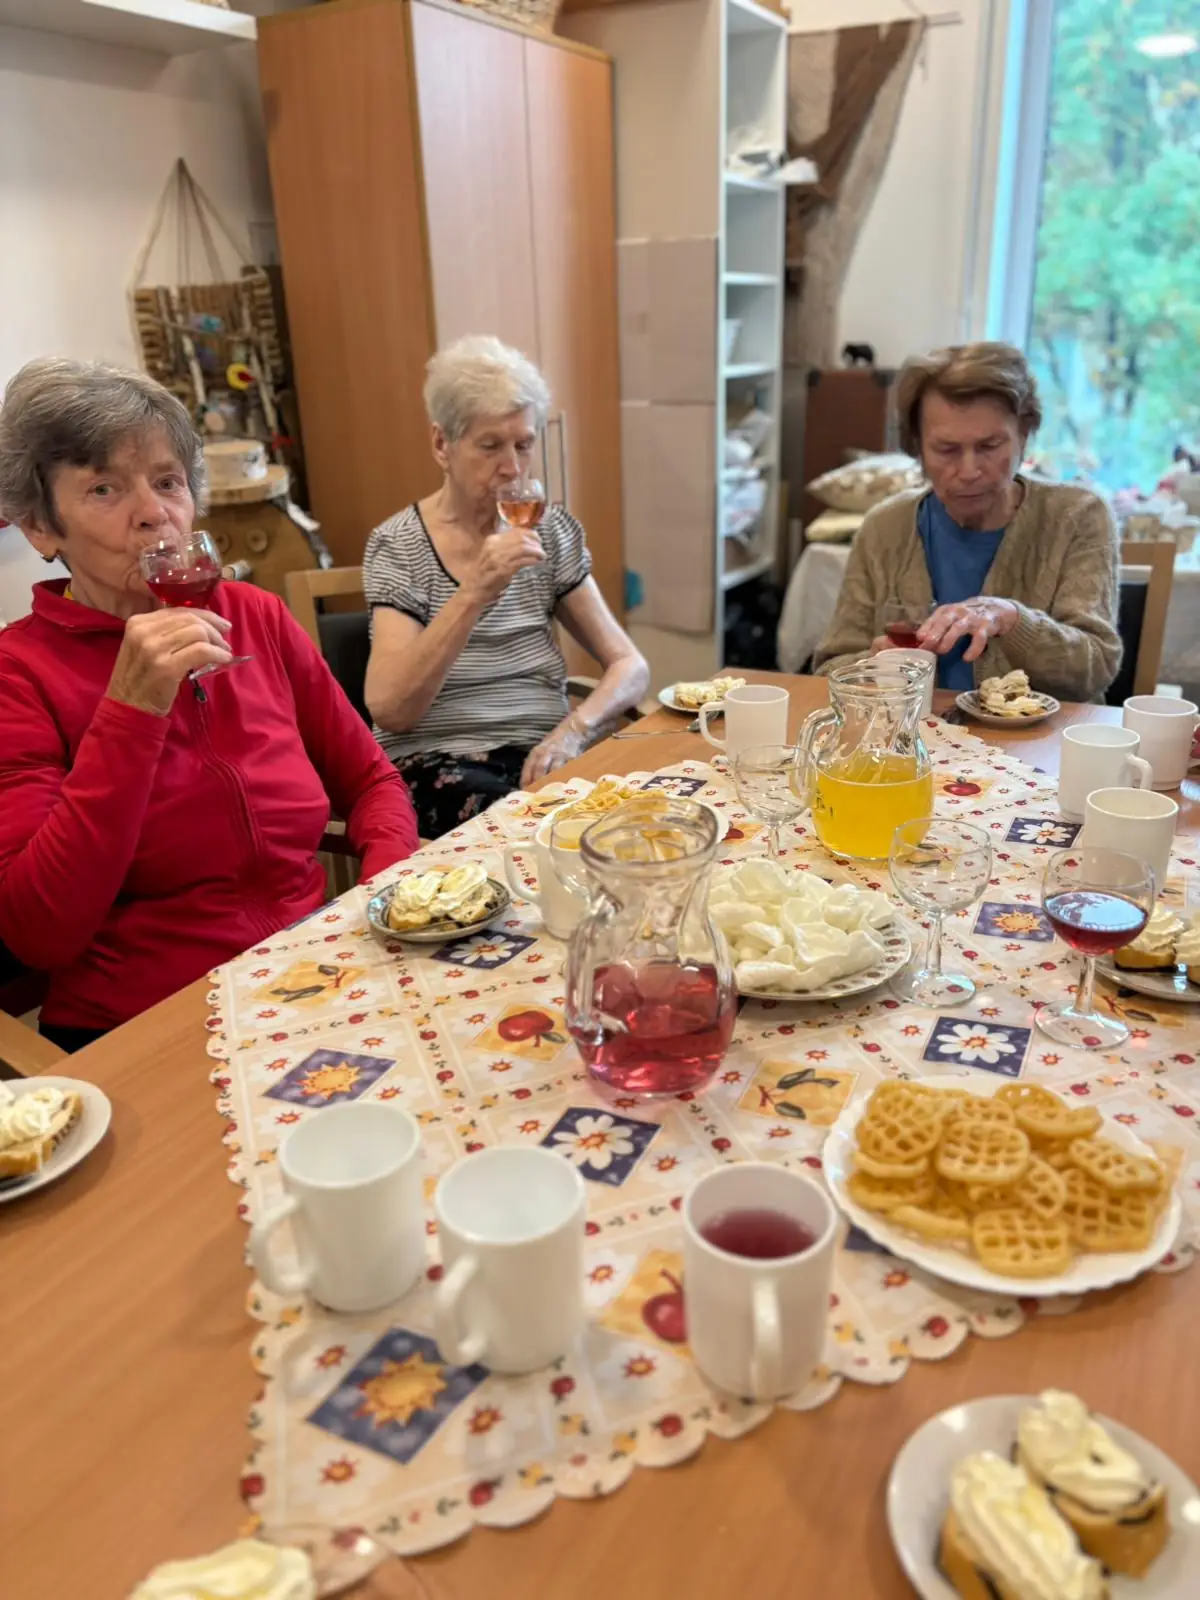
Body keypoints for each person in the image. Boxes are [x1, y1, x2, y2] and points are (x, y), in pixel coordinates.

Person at [0, 359, 419, 1050]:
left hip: (309, 976)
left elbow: (372, 781)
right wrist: (131, 710)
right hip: (146, 1024)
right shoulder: (18, 674)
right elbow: (40, 931)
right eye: (104, 488)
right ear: (41, 528)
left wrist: (385, 899)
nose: (154, 512)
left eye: (168, 482)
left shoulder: (256, 616)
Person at [364, 335, 649, 836]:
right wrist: (474, 592)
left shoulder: (549, 532)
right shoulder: (398, 546)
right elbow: (391, 708)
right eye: (491, 446)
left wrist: (573, 733)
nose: (513, 467)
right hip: (439, 762)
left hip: (540, 756)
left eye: (524, 444)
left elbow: (630, 665)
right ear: (442, 445)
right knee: (553, 832)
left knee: (647, 815)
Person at [814, 342, 1121, 701]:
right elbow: (828, 670)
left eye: (990, 446)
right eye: (946, 450)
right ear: (918, 448)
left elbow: (1095, 669)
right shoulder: (884, 528)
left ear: (1023, 436)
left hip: (1041, 737)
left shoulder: (1079, 516)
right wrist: (872, 667)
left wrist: (1013, 620)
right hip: (914, 736)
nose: (969, 471)